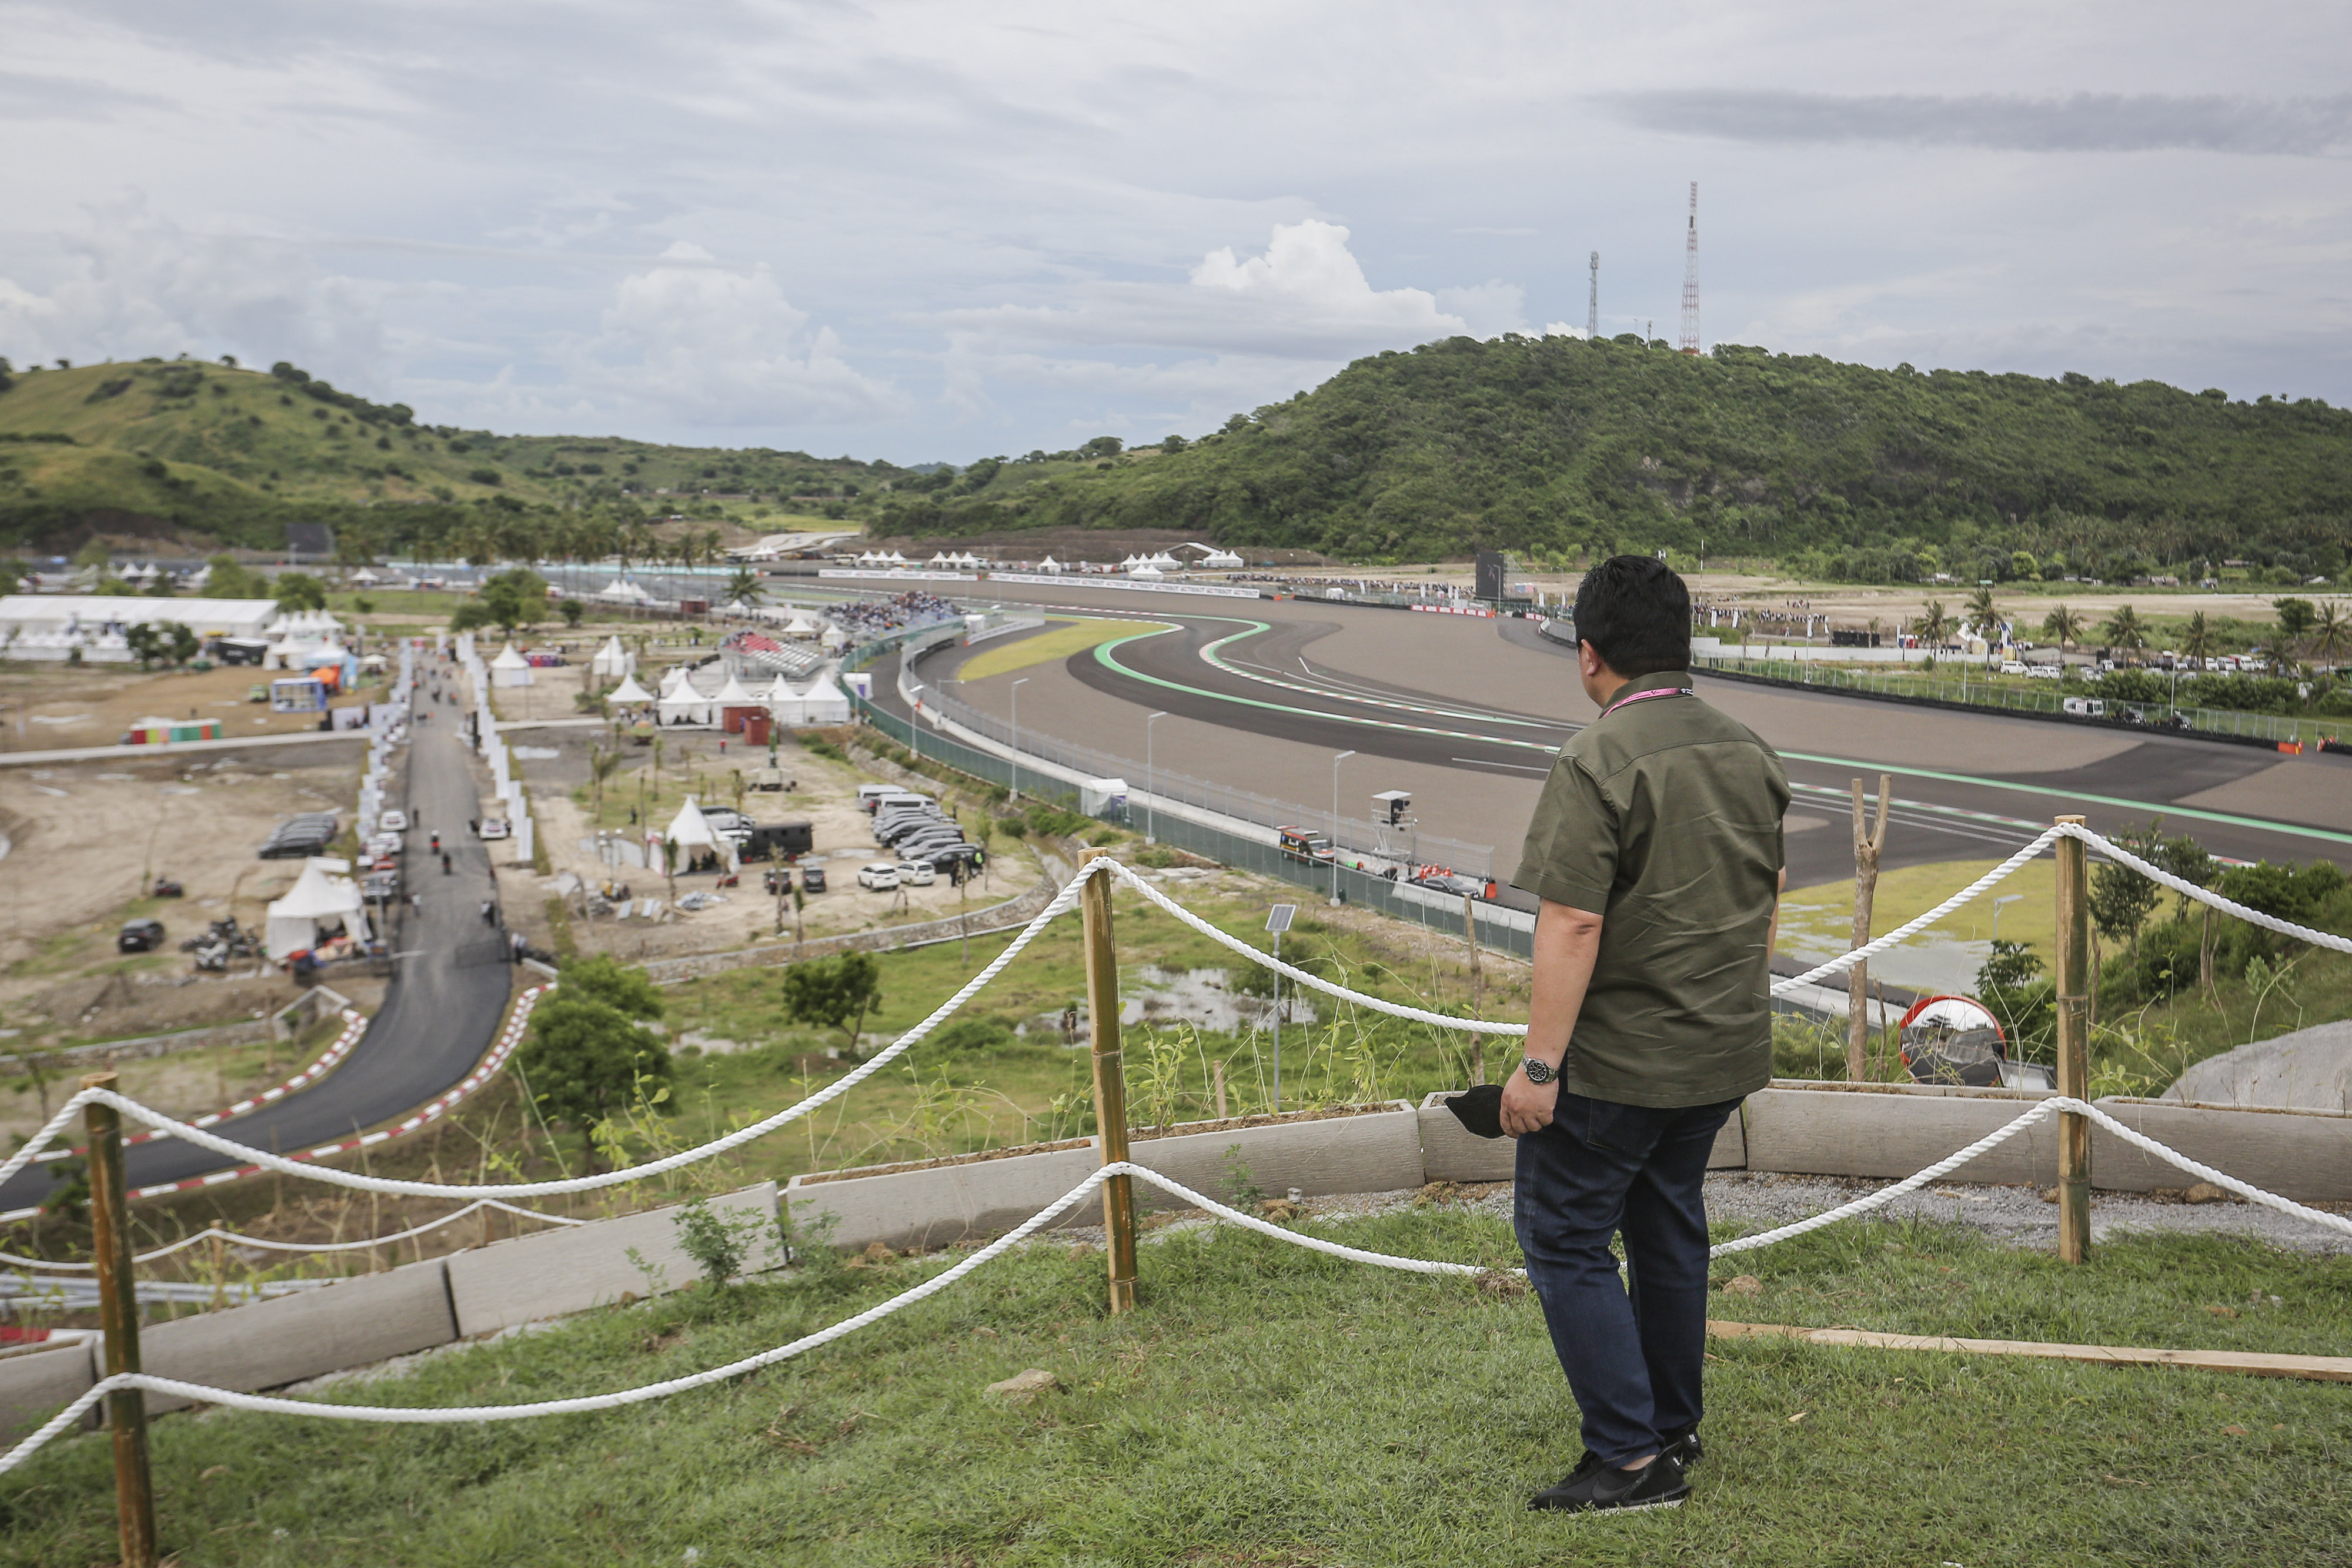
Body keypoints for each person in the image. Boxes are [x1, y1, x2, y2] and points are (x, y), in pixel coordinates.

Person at [1502, 556, 1788, 1515]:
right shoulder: (1749, 749)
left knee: (1563, 1237)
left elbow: (1573, 923)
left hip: (1621, 1064)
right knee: (1668, 1227)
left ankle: (1628, 1459)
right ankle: (1671, 1426)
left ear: (1590, 657)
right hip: (1720, 1053)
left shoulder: (1598, 758)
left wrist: (1538, 1069)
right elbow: (1768, 900)